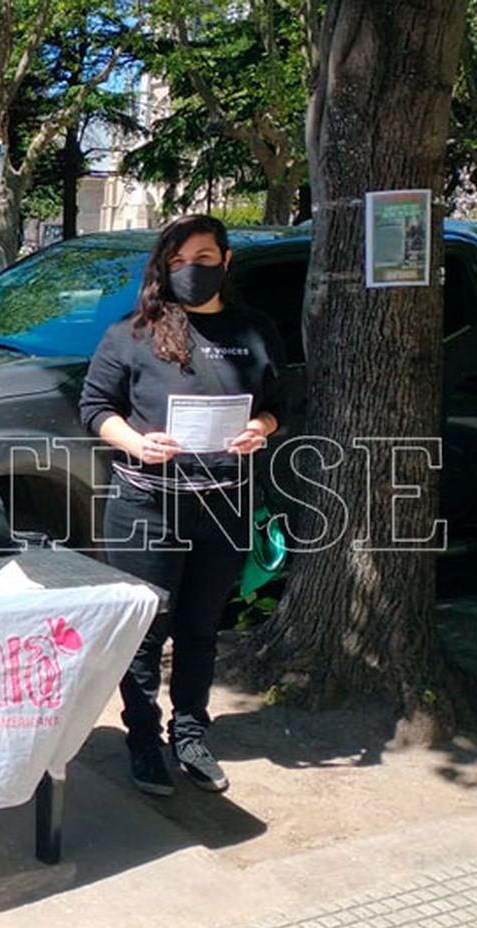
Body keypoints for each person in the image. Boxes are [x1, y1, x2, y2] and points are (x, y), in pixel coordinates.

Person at [78, 213, 288, 798]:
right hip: (147, 506)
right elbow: (95, 407)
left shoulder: (254, 329)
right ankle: (142, 737)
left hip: (224, 505)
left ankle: (191, 733)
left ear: (225, 261)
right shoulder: (133, 332)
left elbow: (278, 404)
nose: (188, 272)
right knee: (146, 632)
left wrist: (259, 429)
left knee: (200, 629)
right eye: (175, 262)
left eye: (200, 259)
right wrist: (136, 442)